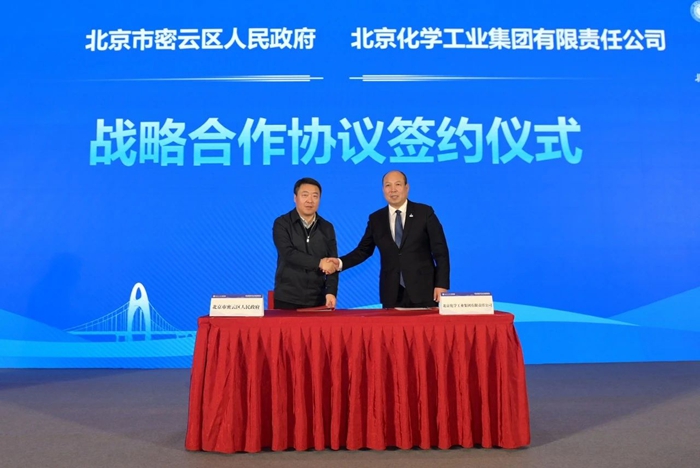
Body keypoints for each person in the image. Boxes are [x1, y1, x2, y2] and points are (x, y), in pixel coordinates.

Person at [328, 170, 450, 308]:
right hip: (391, 293)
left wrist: (441, 284)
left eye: (398, 184)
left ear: (406, 187)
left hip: (424, 290)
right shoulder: (376, 219)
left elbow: (440, 251)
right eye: (388, 185)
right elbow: (363, 250)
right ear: (383, 189)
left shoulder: (424, 213)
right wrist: (340, 263)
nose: (393, 190)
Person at [272, 177, 339, 310]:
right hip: (287, 298)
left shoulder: (327, 227)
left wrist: (331, 291)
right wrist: (319, 263)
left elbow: (332, 262)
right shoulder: (282, 223)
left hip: (318, 299)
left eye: (315, 196)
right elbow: (288, 253)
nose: (310, 200)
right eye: (305, 195)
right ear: (295, 198)